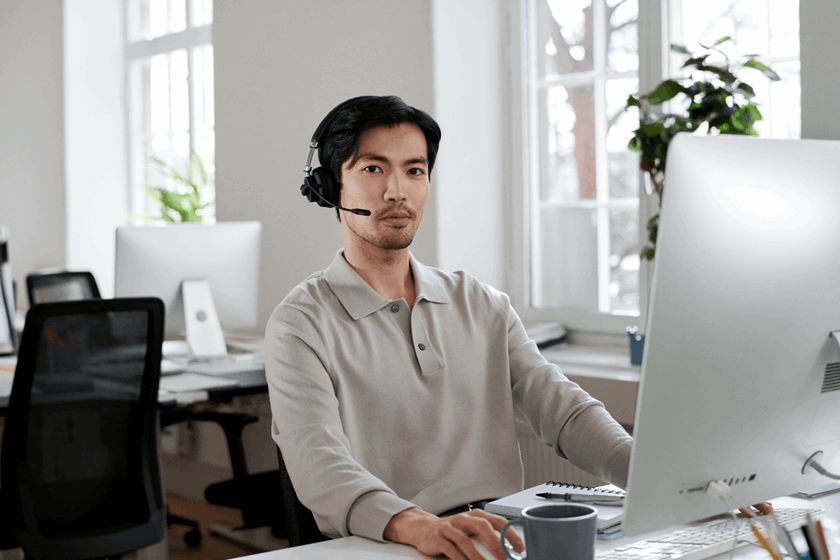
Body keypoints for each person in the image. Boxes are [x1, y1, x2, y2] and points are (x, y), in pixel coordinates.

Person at [265, 95, 763, 559]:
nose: (397, 190)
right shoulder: (300, 323)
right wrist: (422, 527)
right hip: (387, 543)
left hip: (494, 538)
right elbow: (321, 467)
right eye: (374, 168)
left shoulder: (480, 303)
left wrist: (673, 482)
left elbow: (565, 412)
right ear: (334, 185)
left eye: (414, 170)